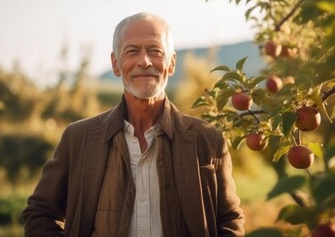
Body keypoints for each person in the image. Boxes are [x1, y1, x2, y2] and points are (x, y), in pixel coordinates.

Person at [22, 12, 245, 237]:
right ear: (116, 64)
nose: (144, 61)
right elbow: (40, 213)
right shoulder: (78, 138)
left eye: (155, 51)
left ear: (171, 64)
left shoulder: (207, 139)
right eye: (132, 51)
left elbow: (229, 220)